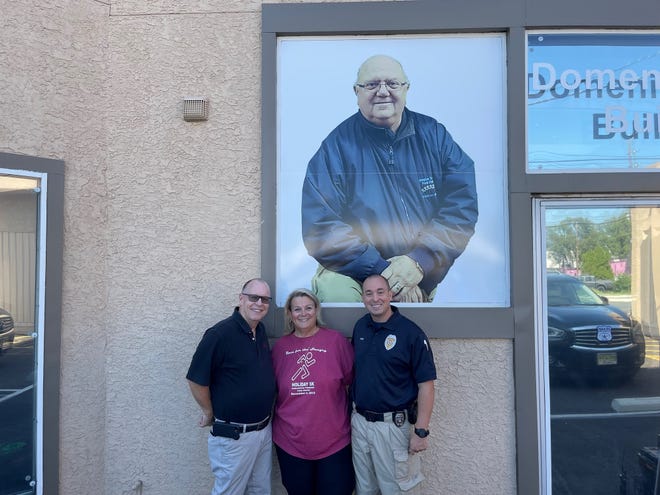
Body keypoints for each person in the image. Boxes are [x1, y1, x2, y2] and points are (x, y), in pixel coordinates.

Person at [301, 54, 478, 303]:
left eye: (392, 84)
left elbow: (462, 206)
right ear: (356, 91)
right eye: (372, 84)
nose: (382, 92)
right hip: (354, 271)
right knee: (335, 293)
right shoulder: (336, 147)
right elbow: (320, 226)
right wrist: (385, 274)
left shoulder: (434, 136)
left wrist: (419, 262)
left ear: (407, 88)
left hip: (420, 271)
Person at [186, 278, 277, 495]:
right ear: (241, 299)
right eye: (253, 297)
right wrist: (208, 411)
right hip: (235, 437)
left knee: (260, 491)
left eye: (265, 299)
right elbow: (196, 379)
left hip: (263, 431)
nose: (259, 303)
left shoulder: (260, 330)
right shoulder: (219, 334)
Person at [351, 274, 437, 494]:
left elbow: (426, 385)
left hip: (393, 428)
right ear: (363, 298)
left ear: (390, 295)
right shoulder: (360, 328)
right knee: (365, 489)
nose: (375, 298)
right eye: (369, 293)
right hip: (360, 424)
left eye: (380, 292)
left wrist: (421, 431)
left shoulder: (411, 333)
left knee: (397, 490)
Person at [271, 288, 355, 495]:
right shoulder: (280, 348)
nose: (303, 313)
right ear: (290, 314)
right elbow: (271, 390)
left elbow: (351, 382)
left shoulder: (336, 342)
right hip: (291, 442)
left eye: (308, 308)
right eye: (297, 309)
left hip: (334, 442)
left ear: (316, 310)